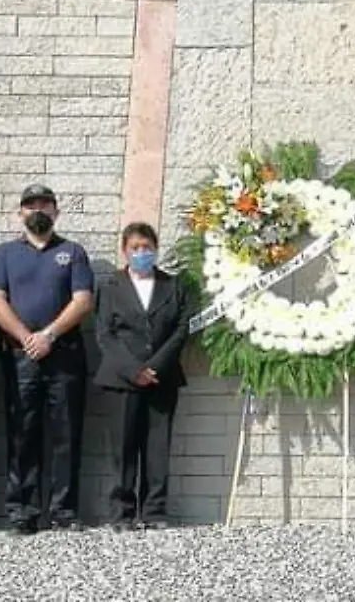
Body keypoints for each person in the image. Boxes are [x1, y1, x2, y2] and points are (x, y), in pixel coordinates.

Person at [0, 183, 94, 535]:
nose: (38, 210)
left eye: (45, 205)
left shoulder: (73, 252)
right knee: (21, 433)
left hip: (65, 356)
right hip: (19, 357)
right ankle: (23, 511)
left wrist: (48, 335)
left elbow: (83, 301)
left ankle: (64, 511)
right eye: (31, 205)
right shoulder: (4, 253)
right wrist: (25, 337)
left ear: (56, 212)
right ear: (20, 213)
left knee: (66, 434)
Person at [94, 222, 193, 530]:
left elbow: (181, 330)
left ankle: (154, 511)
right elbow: (105, 334)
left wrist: (155, 367)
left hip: (162, 379)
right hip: (121, 380)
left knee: (157, 447)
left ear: (156, 249)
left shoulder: (173, 286)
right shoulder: (110, 287)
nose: (141, 253)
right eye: (135, 248)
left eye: (147, 247)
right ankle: (122, 513)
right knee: (122, 449)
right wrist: (134, 370)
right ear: (124, 251)